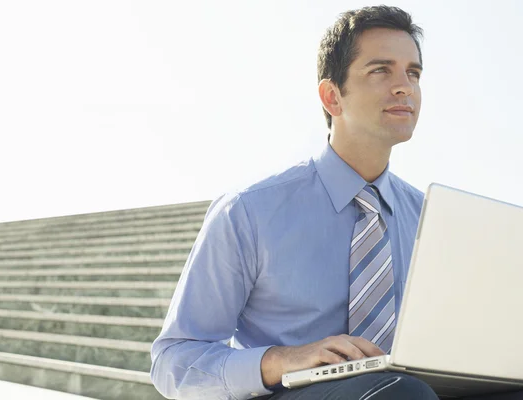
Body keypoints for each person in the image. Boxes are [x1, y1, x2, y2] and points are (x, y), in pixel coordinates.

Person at [150, 6, 523, 400]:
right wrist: (280, 361)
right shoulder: (248, 212)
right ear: (332, 96)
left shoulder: (432, 220)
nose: (405, 87)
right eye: (381, 70)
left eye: (413, 73)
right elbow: (173, 362)